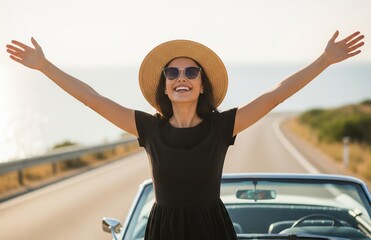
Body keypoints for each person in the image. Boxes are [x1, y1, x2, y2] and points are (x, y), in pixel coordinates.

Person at [5, 31, 364, 240]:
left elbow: (276, 94)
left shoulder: (223, 127)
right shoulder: (148, 128)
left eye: (192, 71)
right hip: (163, 230)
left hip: (212, 228)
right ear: (164, 83)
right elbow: (92, 99)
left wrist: (324, 60)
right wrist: (44, 66)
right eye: (173, 71)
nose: (182, 76)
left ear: (202, 84)